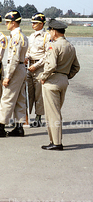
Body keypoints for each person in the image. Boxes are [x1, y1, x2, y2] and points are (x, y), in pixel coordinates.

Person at [0, 10, 28, 138]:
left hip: (15, 69)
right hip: (21, 68)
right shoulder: (23, 36)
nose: (6, 24)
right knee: (20, 98)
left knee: (6, 98)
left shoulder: (16, 37)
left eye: (8, 22)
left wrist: (8, 76)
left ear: (14, 23)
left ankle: (1, 127)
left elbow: (13, 59)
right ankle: (19, 127)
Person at [40, 19, 80, 150]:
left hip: (52, 81)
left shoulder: (54, 45)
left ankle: (56, 143)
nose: (49, 33)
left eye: (50, 31)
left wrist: (43, 77)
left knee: (53, 113)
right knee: (56, 111)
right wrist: (66, 76)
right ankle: (54, 141)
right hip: (63, 80)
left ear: (54, 32)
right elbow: (76, 67)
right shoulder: (70, 46)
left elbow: (51, 65)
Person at [25, 12, 50, 127]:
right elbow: (29, 51)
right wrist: (26, 57)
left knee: (39, 94)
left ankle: (38, 117)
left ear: (42, 24)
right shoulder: (31, 36)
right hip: (30, 66)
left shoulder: (47, 36)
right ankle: (26, 117)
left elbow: (47, 55)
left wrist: (37, 65)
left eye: (36, 23)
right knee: (28, 92)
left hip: (40, 67)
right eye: (33, 23)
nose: (33, 25)